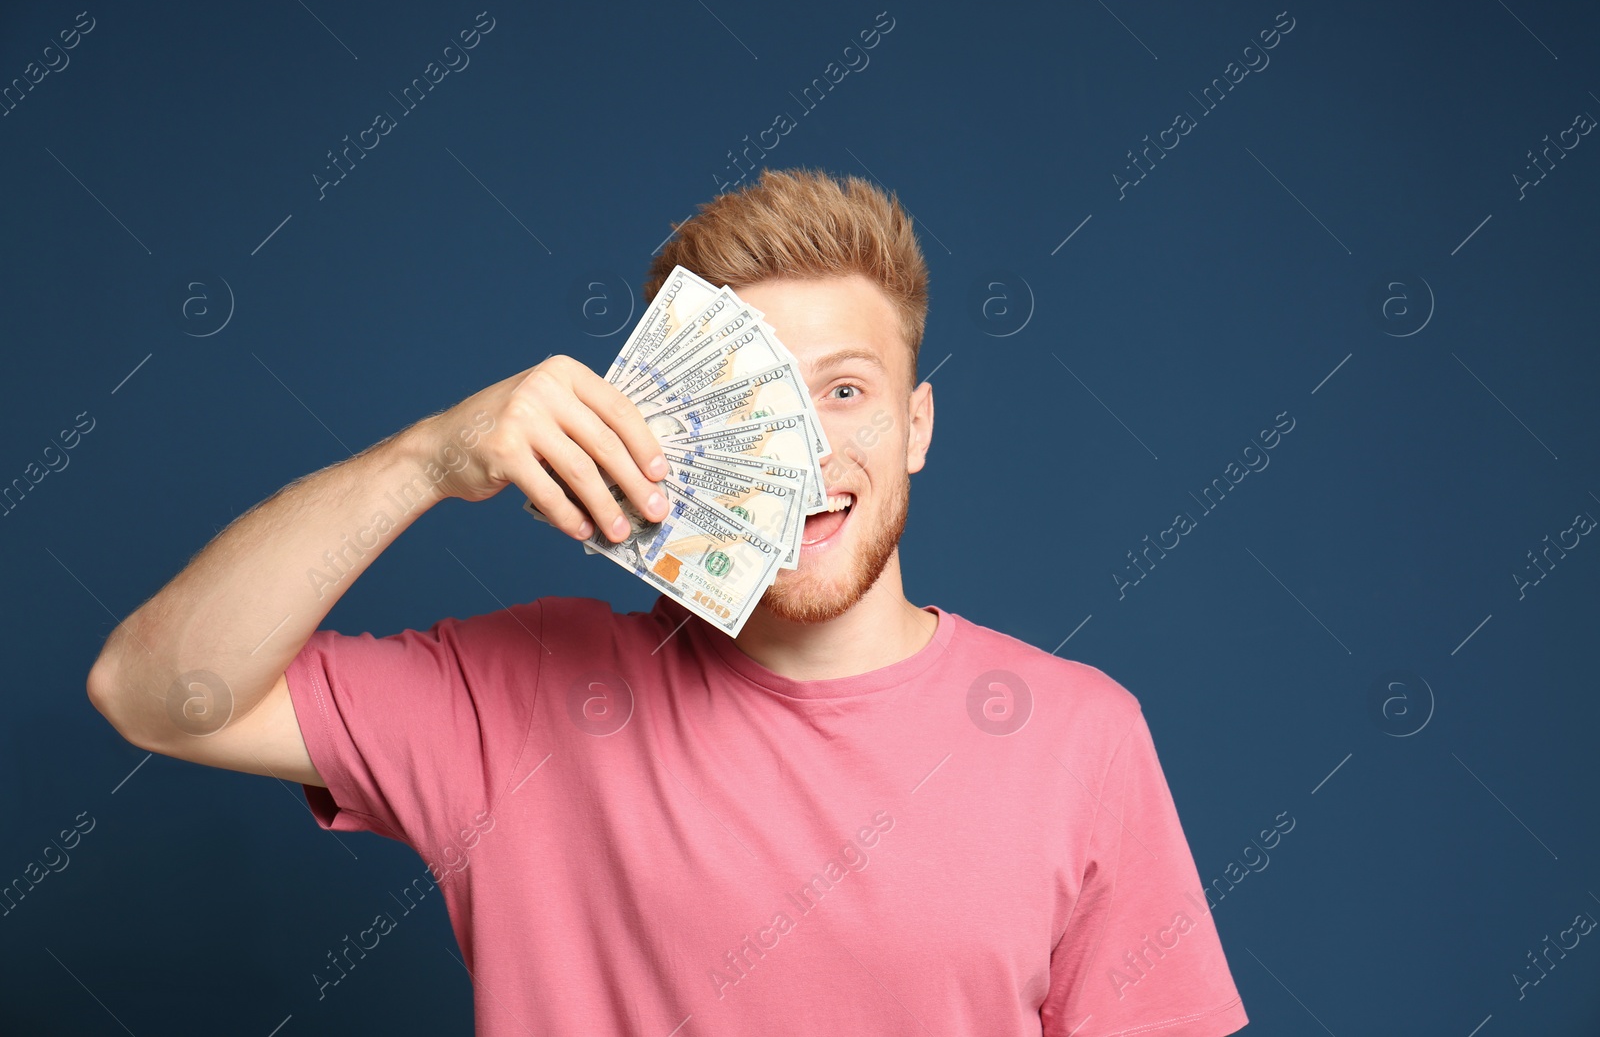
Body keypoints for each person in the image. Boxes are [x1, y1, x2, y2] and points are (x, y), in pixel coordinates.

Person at [86, 168, 1249, 1036]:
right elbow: (151, 692)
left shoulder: (1079, 736)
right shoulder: (521, 695)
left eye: (843, 390)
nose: (800, 455)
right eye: (757, 403)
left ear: (916, 425)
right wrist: (427, 459)